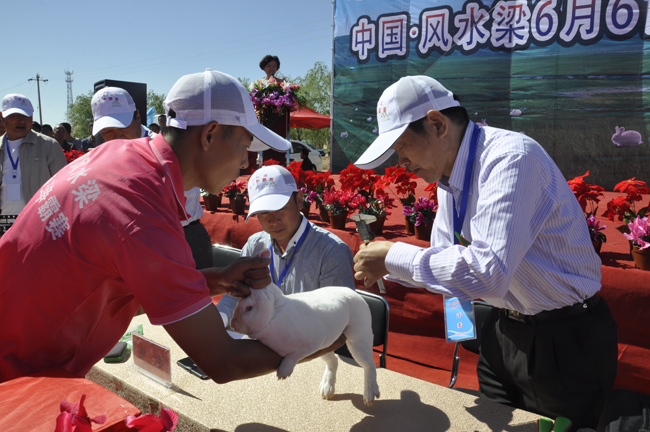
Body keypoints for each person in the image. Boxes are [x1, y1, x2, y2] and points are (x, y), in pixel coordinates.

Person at [0, 69, 343, 385]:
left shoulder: (125, 159)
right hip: (15, 374)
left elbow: (135, 289)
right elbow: (224, 362)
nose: (246, 162)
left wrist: (217, 280)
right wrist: (330, 335)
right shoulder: (141, 213)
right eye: (244, 145)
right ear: (210, 134)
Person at [352, 76, 618, 430]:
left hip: (564, 340)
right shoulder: (449, 178)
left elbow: (487, 272)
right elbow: (448, 261)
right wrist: (459, 329)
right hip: (505, 329)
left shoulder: (510, 159)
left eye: (402, 146)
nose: (399, 161)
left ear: (437, 124)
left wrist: (392, 257)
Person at [91, 86, 212, 269]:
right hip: (144, 240)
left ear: (138, 116)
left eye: (121, 126)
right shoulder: (107, 156)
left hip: (185, 235)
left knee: (199, 294)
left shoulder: (166, 148)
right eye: (108, 131)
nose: (116, 136)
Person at [216, 165, 355, 324]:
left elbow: (336, 320)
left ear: (299, 200)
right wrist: (220, 320)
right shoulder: (255, 245)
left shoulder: (331, 251)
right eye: (264, 212)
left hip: (310, 344)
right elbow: (235, 295)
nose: (273, 220)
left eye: (280, 207)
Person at [0, 94, 66, 218]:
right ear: (2, 117)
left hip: (36, 221)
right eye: (15, 115)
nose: (22, 120)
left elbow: (63, 187)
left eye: (27, 116)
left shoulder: (49, 145)